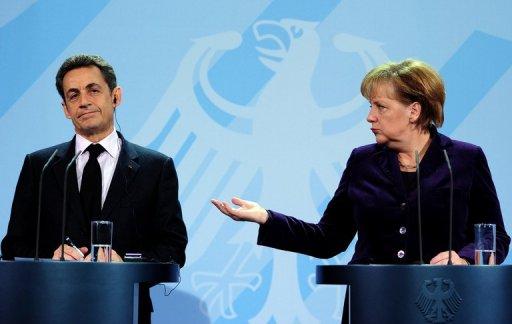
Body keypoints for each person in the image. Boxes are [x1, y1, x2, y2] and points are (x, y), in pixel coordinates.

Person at [212, 59, 510, 265]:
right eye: (370, 106)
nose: (370, 117)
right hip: (373, 301)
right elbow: (328, 239)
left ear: (414, 111)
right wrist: (266, 217)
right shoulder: (362, 161)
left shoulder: (464, 158)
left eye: (380, 107)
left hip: (444, 301)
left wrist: (464, 258)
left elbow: (495, 238)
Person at [1, 54, 188, 323]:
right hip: (50, 309)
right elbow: (13, 246)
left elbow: (173, 248)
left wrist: (124, 264)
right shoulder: (40, 166)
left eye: (93, 90)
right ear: (65, 108)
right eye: (73, 95)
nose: (84, 101)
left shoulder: (155, 168)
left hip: (125, 309)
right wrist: (50, 258)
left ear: (116, 96)